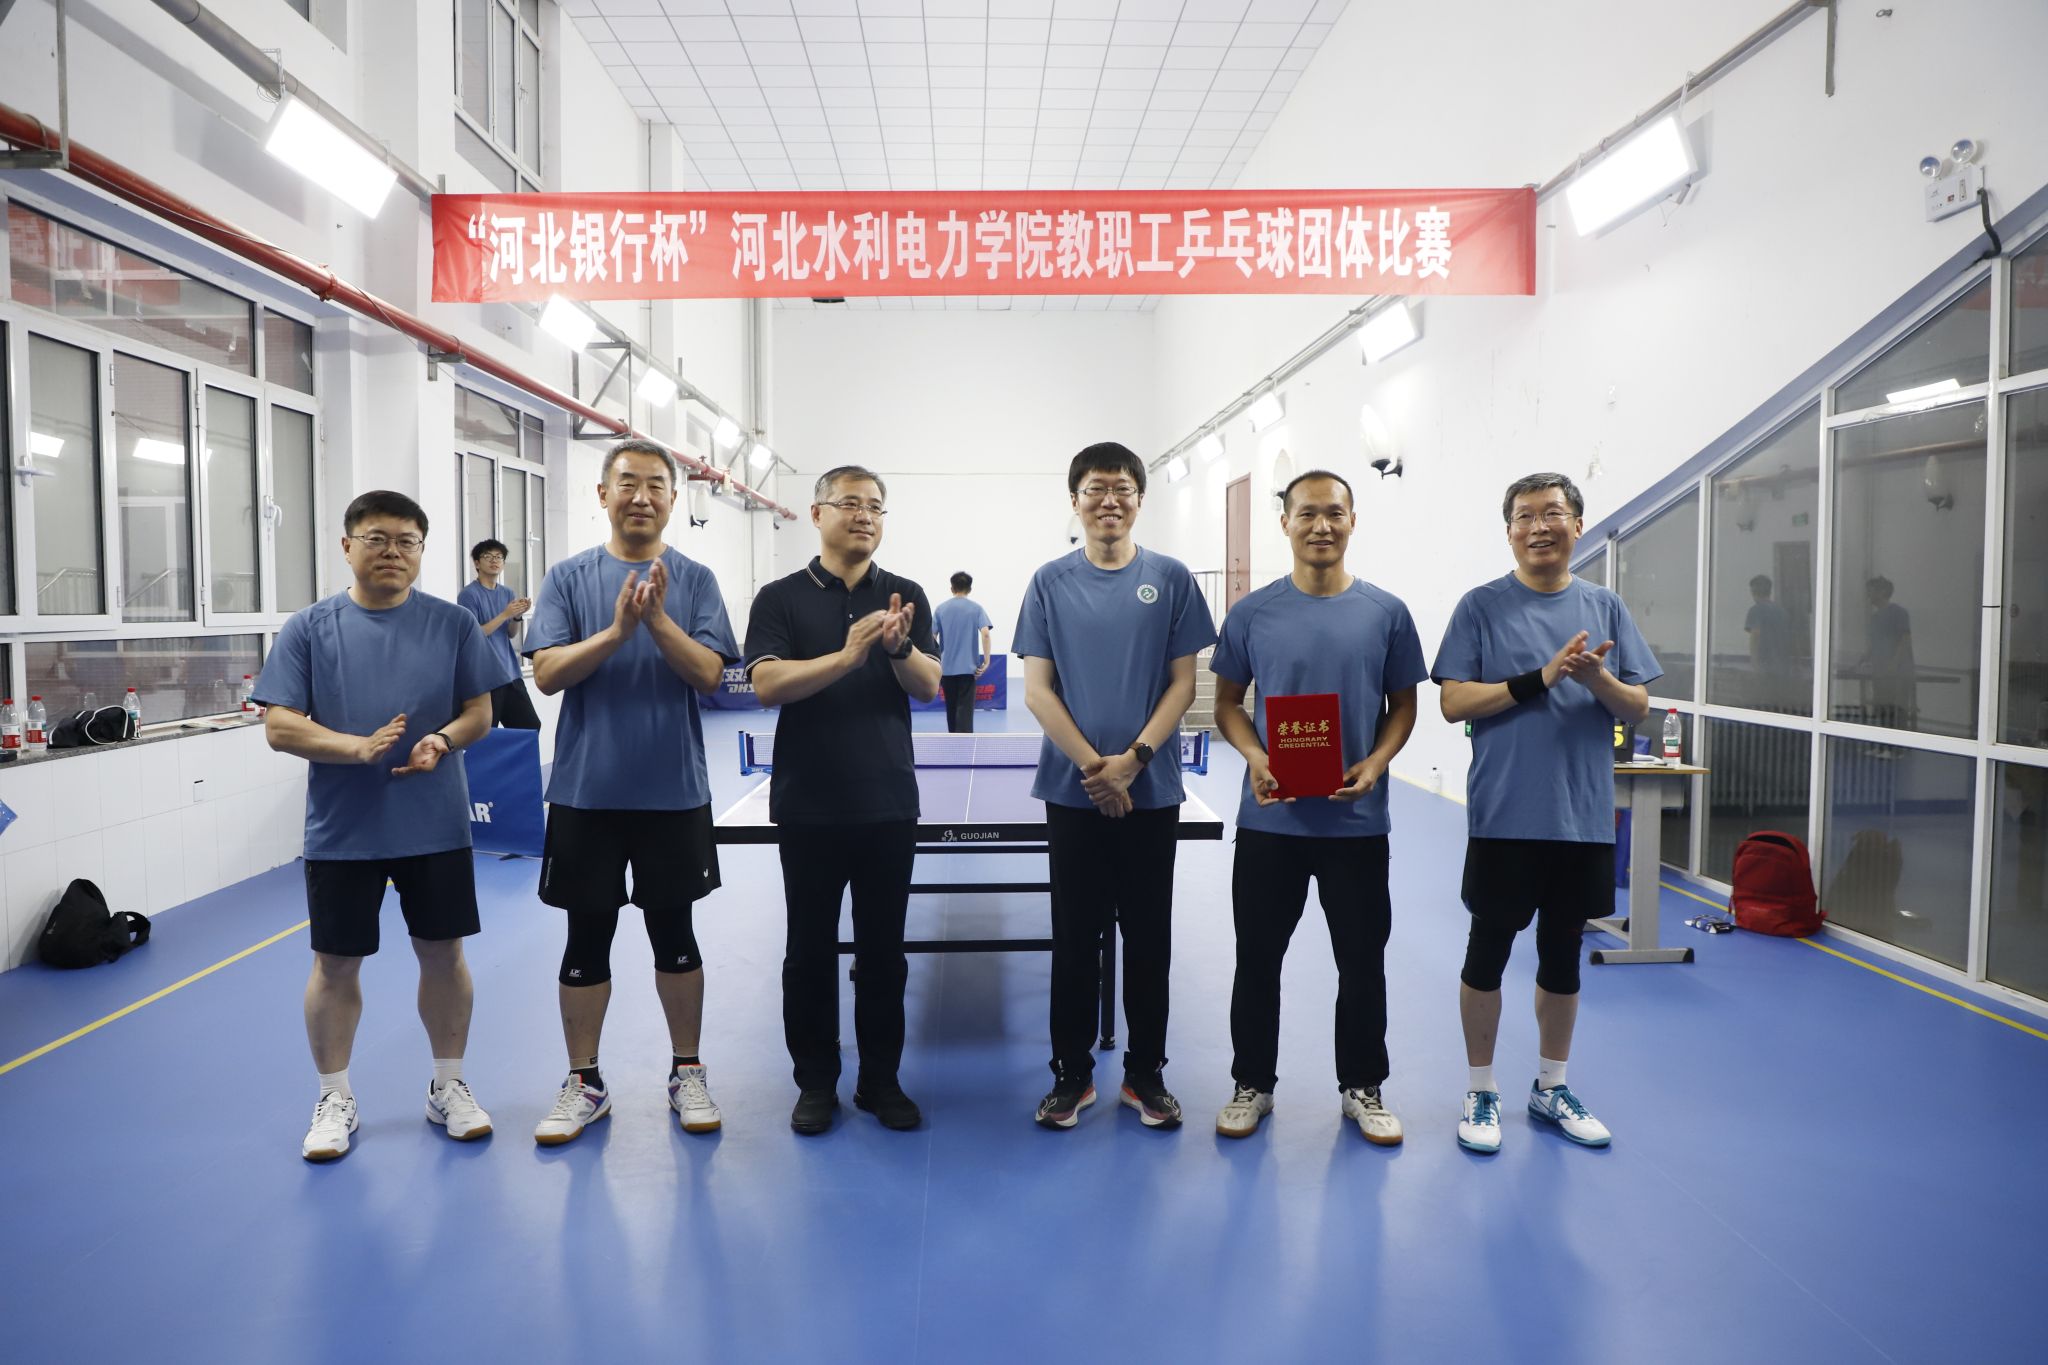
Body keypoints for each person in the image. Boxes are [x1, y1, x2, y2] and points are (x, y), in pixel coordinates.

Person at [254, 490, 514, 1161]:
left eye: (407, 541)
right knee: (335, 963)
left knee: (443, 953)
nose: (392, 551)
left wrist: (442, 741)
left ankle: (448, 1085)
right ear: (347, 546)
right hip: (344, 829)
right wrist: (355, 747)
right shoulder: (309, 628)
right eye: (376, 538)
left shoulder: (453, 623)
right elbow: (279, 725)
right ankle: (333, 1096)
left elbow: (479, 712)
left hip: (435, 824)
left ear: (422, 551)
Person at [1431, 472, 1659, 1154]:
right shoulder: (1481, 606)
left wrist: (1597, 678)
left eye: (1553, 513)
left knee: (1563, 958)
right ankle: (1481, 1088)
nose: (1539, 527)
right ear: (1509, 531)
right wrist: (1541, 678)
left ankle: (1551, 1087)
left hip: (1580, 816)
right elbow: (1453, 701)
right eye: (1525, 516)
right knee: (1487, 954)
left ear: (1577, 525)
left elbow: (1637, 707)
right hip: (1504, 814)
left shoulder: (1604, 605)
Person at [523, 438, 739, 1145]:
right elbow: (547, 674)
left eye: (655, 485)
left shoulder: (696, 580)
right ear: (603, 494)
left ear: (673, 500)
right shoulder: (567, 578)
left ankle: (687, 1071)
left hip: (673, 792)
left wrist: (657, 621)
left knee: (675, 934)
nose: (641, 496)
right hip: (585, 793)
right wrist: (618, 630)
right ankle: (584, 1080)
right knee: (585, 937)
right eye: (627, 483)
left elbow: (710, 675)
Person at [1209, 470, 1426, 1144]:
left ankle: (1363, 1086)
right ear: (1285, 524)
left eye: (1334, 512)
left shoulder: (1386, 612)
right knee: (1258, 958)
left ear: (1353, 520)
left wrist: (1377, 762)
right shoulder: (1252, 614)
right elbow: (1227, 704)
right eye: (1307, 513)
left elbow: (1404, 705)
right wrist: (1255, 755)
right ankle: (1252, 1083)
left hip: (1356, 824)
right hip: (1271, 820)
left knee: (1361, 962)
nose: (1321, 526)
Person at [1016, 441, 1216, 1130]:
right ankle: (1071, 1075)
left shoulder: (1172, 578)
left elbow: (1184, 683)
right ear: (1075, 500)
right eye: (1096, 488)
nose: (1110, 500)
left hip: (1151, 793)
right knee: (1073, 939)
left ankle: (1145, 1074)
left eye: (1123, 488)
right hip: (1072, 794)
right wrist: (1096, 772)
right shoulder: (1049, 581)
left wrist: (1133, 760)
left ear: (1139, 499)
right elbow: (1037, 690)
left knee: (1149, 939)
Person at [744, 466, 942, 1135]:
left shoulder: (905, 594)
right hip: (808, 803)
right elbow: (767, 684)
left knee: (884, 953)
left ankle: (880, 1080)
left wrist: (899, 647)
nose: (865, 515)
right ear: (817, 512)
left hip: (888, 801)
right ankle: (816, 1082)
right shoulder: (779, 598)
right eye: (851, 503)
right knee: (808, 952)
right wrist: (848, 656)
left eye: (876, 506)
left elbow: (928, 686)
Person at [457, 539, 541, 729]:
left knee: (530, 726)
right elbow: (473, 636)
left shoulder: (507, 593)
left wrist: (516, 616)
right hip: (486, 676)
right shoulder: (468, 595)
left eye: (499, 557)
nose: (494, 560)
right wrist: (505, 614)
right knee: (487, 732)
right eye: (488, 556)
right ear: (477, 563)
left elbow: (510, 634)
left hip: (510, 672)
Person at [932, 571, 994, 733]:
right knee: (965, 711)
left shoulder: (940, 609)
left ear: (952, 588)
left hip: (946, 669)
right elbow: (985, 633)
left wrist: (934, 661)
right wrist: (986, 661)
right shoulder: (976, 609)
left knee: (951, 709)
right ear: (970, 589)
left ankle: (954, 740)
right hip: (968, 669)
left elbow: (932, 637)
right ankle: (965, 743)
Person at [1863, 575, 1916, 730]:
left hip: (1897, 674)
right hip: (1880, 673)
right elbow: (1874, 644)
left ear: (1882, 592)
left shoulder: (1899, 613)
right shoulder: (1875, 618)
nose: (1868, 595)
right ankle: (1882, 741)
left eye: (1871, 591)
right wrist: (1863, 659)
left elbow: (1905, 640)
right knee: (1881, 710)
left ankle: (1897, 743)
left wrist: (1894, 664)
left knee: (1896, 711)